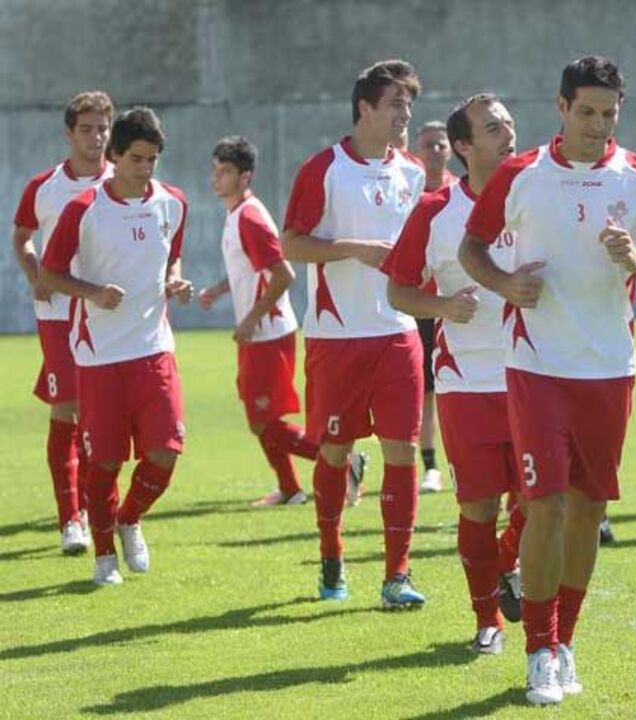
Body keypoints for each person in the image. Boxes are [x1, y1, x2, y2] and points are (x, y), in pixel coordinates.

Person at [460, 56, 636, 705]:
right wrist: (504, 283)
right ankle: (537, 648)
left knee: (588, 510)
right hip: (536, 368)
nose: (597, 125)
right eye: (586, 111)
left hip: (608, 369)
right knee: (545, 505)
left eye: (608, 113)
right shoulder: (519, 175)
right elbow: (471, 247)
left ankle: (565, 642)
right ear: (561, 108)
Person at [384, 94, 527, 653]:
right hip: (468, 384)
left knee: (544, 502)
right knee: (478, 507)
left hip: (535, 374)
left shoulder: (536, 195)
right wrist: (443, 308)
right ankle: (486, 622)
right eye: (494, 129)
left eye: (510, 124)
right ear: (463, 147)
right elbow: (398, 288)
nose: (508, 135)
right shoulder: (434, 211)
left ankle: (506, 562)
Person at [282, 60, 428, 609]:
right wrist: (353, 249)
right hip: (336, 338)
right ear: (364, 108)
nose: (404, 114)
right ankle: (332, 555)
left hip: (397, 332)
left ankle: (397, 575)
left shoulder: (412, 172)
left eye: (408, 104)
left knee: (403, 452)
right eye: (394, 103)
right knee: (335, 453)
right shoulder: (324, 169)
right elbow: (291, 244)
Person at [39, 107, 193, 585]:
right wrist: (93, 293)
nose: (146, 169)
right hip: (100, 357)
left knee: (166, 453)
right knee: (103, 464)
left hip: (154, 351)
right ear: (115, 157)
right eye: (137, 159)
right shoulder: (83, 209)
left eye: (152, 160)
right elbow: (49, 274)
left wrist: (174, 281)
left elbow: (172, 257)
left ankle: (128, 519)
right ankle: (104, 555)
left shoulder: (173, 203)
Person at [12, 90, 114, 554]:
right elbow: (21, 238)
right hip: (57, 314)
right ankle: (69, 520)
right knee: (66, 411)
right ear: (70, 133)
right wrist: (37, 277)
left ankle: (98, 511)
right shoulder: (44, 187)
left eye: (102, 128)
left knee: (102, 419)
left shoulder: (124, 182)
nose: (96, 137)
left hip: (108, 317)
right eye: (87, 128)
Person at [198, 136, 315, 507]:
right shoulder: (237, 214)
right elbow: (251, 270)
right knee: (258, 418)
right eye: (215, 170)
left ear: (245, 176)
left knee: (263, 419)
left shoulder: (249, 217)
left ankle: (341, 462)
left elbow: (284, 275)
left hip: (268, 333)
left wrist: (250, 320)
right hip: (259, 333)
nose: (216, 179)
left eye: (226, 172)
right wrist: (219, 290)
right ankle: (291, 489)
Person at [412, 120, 458, 493]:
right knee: (418, 390)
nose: (434, 151)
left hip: (448, 304)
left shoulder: (459, 191)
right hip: (412, 303)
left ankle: (437, 465)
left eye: (440, 145)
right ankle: (425, 463)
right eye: (427, 145)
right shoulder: (407, 189)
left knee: (440, 388)